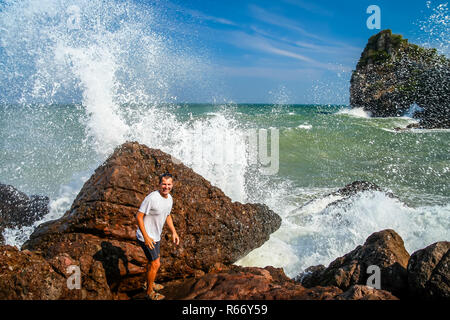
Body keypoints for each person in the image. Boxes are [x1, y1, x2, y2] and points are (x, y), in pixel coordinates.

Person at [136, 173, 180, 300]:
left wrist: (174, 232)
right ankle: (149, 292)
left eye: (169, 184)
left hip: (156, 236)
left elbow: (167, 215)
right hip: (146, 236)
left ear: (172, 185)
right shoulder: (152, 198)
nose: (166, 187)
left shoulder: (169, 198)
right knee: (155, 263)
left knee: (154, 262)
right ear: (159, 184)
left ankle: (148, 282)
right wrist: (146, 237)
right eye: (164, 184)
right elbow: (138, 216)